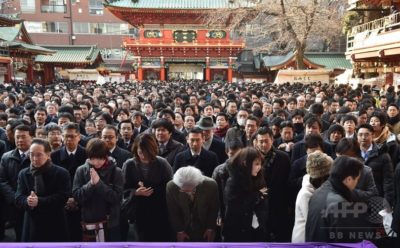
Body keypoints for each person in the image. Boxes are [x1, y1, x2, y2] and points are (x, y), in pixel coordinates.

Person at [15, 139, 70, 241]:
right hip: (32, 222)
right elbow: (18, 196)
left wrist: (39, 201)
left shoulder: (61, 173)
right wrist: (27, 201)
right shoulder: (23, 173)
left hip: (55, 221)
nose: (35, 158)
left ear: (48, 155)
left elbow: (63, 197)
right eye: (31, 155)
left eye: (39, 155)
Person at [305, 156, 371, 242]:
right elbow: (346, 242)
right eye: (357, 179)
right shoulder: (340, 205)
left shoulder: (319, 191)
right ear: (349, 179)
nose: (357, 183)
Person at [121, 133, 173, 241]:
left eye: (146, 153)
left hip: (159, 210)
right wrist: (135, 192)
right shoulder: (129, 164)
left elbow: (170, 187)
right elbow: (122, 189)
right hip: (138, 212)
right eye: (140, 152)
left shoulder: (162, 163)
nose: (143, 156)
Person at [73, 138, 124, 241]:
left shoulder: (116, 171)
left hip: (110, 223)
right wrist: (91, 184)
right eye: (93, 158)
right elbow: (77, 196)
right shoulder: (81, 170)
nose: (97, 162)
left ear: (106, 156)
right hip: (89, 222)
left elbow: (116, 198)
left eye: (100, 158)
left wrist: (99, 184)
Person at [51, 122, 87, 241]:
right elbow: (53, 181)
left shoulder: (87, 154)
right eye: (66, 136)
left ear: (79, 137)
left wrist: (76, 199)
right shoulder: (54, 156)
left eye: (72, 136)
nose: (69, 139)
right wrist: (66, 198)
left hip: (82, 201)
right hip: (61, 202)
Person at [223, 147, 268, 242]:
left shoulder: (259, 178)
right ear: (245, 163)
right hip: (237, 232)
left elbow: (264, 203)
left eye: (260, 164)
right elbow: (234, 207)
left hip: (257, 230)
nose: (259, 167)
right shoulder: (233, 182)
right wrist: (257, 196)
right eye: (256, 164)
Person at [166, 166, 219, 242]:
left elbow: (213, 208)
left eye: (191, 189)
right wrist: (180, 231)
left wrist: (210, 228)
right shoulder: (171, 186)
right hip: (183, 224)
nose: (188, 193)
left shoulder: (211, 185)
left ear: (198, 183)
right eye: (184, 190)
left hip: (204, 224)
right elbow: (173, 211)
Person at [0, 124, 33, 241]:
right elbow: (2, 180)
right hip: (14, 203)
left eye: (23, 137)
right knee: (19, 235)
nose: (19, 140)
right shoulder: (6, 157)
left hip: (33, 203)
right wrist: (15, 198)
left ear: (31, 137)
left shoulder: (37, 156)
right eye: (17, 137)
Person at [291, 151, 332, 242]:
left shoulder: (317, 188)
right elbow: (313, 222)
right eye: (328, 176)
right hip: (304, 239)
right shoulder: (306, 194)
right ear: (322, 177)